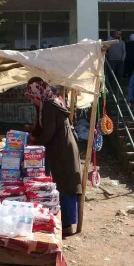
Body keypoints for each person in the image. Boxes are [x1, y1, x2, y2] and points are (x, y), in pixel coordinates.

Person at [24, 79, 82, 236]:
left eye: (32, 97)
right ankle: (65, 224)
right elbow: (43, 126)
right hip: (60, 147)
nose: (32, 101)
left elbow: (48, 131)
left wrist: (34, 145)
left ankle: (67, 225)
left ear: (38, 93)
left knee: (65, 183)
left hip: (62, 149)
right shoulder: (48, 103)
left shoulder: (49, 105)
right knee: (62, 182)